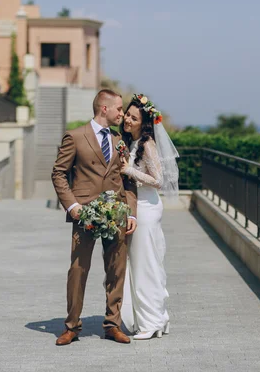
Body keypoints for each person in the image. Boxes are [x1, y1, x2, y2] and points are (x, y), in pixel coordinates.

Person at [51, 89, 138, 346]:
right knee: (78, 269)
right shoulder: (75, 137)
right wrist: (72, 206)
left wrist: (131, 211)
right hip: (85, 215)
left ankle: (113, 325)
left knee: (117, 270)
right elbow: (58, 174)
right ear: (104, 109)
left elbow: (128, 178)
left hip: (117, 214)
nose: (122, 114)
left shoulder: (119, 138)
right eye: (119, 109)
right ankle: (71, 326)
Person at [119, 93, 179, 340]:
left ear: (143, 123)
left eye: (133, 117)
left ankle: (151, 321)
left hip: (146, 209)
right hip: (137, 207)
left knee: (146, 265)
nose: (127, 119)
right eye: (127, 114)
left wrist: (129, 170)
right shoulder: (131, 143)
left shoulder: (147, 145)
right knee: (139, 264)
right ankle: (155, 318)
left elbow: (158, 180)